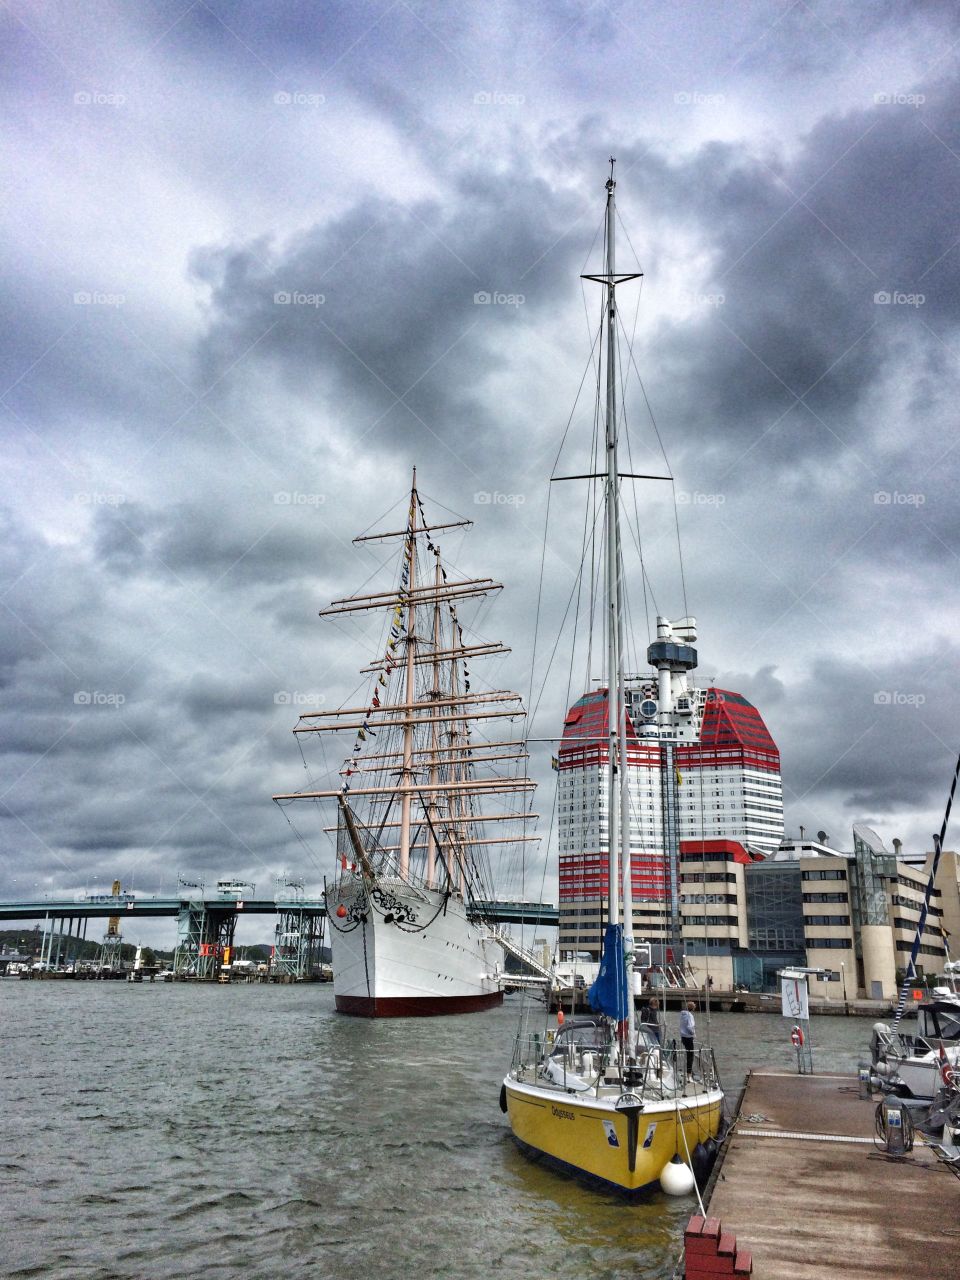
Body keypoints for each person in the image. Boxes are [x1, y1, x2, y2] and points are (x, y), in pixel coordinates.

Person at [679, 1001, 696, 1074]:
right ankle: (689, 1072)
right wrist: (693, 1033)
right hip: (688, 1037)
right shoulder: (690, 1016)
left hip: (683, 1036)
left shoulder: (682, 1014)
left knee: (687, 1053)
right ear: (692, 1008)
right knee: (690, 1055)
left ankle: (688, 1070)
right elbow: (690, 1027)